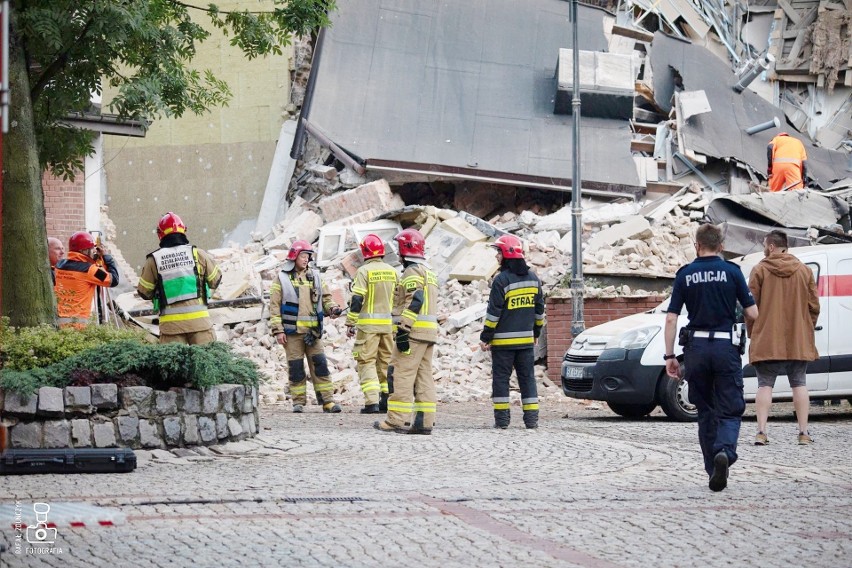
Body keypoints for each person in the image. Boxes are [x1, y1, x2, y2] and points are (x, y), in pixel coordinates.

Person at [664, 224, 758, 492]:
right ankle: (725, 453)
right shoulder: (732, 272)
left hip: (696, 350)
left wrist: (670, 355)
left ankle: (712, 468)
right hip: (725, 348)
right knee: (729, 407)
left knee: (704, 410)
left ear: (697, 245)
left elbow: (671, 318)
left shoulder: (685, 274)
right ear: (721, 245)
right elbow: (753, 314)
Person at [748, 230, 819, 445]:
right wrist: (806, 329)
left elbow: (750, 307)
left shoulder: (759, 270)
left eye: (763, 244)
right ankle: (804, 433)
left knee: (764, 385)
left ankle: (761, 431)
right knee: (799, 384)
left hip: (767, 338)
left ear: (770, 247)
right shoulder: (805, 271)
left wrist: (754, 333)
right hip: (798, 339)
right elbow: (814, 306)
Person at [374, 229, 439, 434]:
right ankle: (424, 422)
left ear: (404, 250)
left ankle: (396, 420)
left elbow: (415, 300)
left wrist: (404, 329)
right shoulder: (429, 272)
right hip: (428, 334)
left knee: (400, 374)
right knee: (424, 377)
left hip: (413, 334)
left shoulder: (412, 272)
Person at [269, 240, 343, 414]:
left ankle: (328, 401)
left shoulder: (316, 277)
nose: (306, 259)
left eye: (308, 256)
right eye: (303, 255)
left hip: (313, 333)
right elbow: (274, 307)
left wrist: (332, 308)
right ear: (294, 256)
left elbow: (326, 298)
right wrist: (278, 330)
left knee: (320, 365)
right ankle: (298, 402)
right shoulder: (281, 278)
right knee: (296, 368)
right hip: (292, 333)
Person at [479, 235, 545, 430]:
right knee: (527, 380)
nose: (496, 256)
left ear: (507, 254)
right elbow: (539, 311)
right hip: (525, 343)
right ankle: (531, 420)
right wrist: (536, 333)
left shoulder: (501, 281)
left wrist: (485, 337)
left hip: (503, 344)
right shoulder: (534, 279)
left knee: (501, 380)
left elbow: (493, 314)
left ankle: (502, 421)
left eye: (498, 252)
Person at [137, 212, 222, 345]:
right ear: (184, 230)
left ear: (160, 233)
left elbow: (144, 292)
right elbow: (215, 280)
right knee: (206, 363)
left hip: (171, 329)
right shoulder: (198, 254)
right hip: (201, 325)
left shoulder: (153, 260)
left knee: (175, 365)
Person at [346, 234, 397, 414]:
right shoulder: (392, 271)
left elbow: (358, 298)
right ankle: (386, 400)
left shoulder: (363, 271)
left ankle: (371, 402)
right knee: (385, 362)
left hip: (368, 327)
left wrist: (350, 322)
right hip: (388, 326)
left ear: (365, 252)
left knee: (366, 361)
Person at [54, 231, 120, 328]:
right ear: (84, 250)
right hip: (78, 326)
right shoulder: (90, 270)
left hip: (58, 324)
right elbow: (113, 280)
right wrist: (106, 257)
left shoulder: (59, 266)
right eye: (92, 249)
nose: (93, 251)